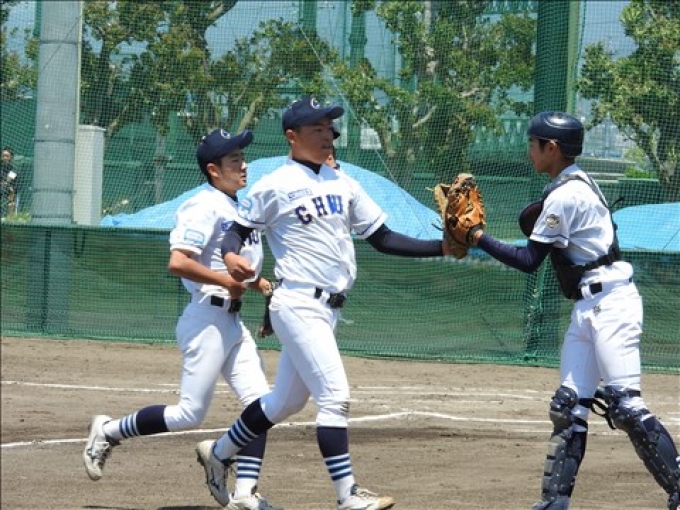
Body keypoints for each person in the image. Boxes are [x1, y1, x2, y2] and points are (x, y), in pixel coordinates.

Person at [195, 96, 446, 510]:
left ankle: (219, 453)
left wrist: (443, 247)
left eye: (330, 127)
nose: (329, 134)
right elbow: (235, 231)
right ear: (292, 136)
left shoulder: (343, 183)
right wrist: (230, 255)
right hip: (296, 302)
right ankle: (347, 496)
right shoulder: (274, 184)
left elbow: (383, 238)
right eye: (318, 128)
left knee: (284, 402)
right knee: (335, 396)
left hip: (328, 309)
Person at [464, 111, 680, 510]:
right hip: (588, 305)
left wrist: (477, 237)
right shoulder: (569, 183)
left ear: (552, 148)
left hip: (613, 305)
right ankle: (554, 502)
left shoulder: (566, 194)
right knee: (568, 407)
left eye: (533, 144)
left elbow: (528, 260)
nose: (529, 151)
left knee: (626, 405)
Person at [83, 128, 282, 510]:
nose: (244, 165)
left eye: (243, 157)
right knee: (189, 414)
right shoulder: (202, 205)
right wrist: (227, 282)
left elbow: (238, 270)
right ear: (213, 169)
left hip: (231, 322)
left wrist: (260, 287)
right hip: (206, 319)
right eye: (235, 160)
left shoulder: (239, 208)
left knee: (262, 406)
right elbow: (178, 262)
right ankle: (108, 431)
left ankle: (245, 494)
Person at [1, 146, 17, 218]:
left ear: (11, 157)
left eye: (7, 156)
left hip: (10, 188)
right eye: (3, 156)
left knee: (5, 189)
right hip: (3, 187)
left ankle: (3, 216)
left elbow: (8, 181)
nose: (5, 158)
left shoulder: (14, 169)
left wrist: (4, 183)